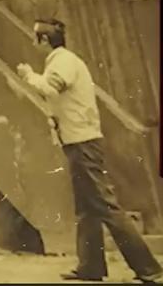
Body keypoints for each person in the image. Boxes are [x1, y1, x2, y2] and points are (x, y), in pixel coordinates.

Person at [16, 18, 163, 283]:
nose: (32, 41)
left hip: (82, 142)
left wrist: (28, 75)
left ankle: (149, 268)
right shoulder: (62, 61)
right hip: (77, 141)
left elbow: (50, 89)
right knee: (86, 208)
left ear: (44, 40)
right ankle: (90, 266)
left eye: (34, 36)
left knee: (105, 205)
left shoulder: (62, 62)